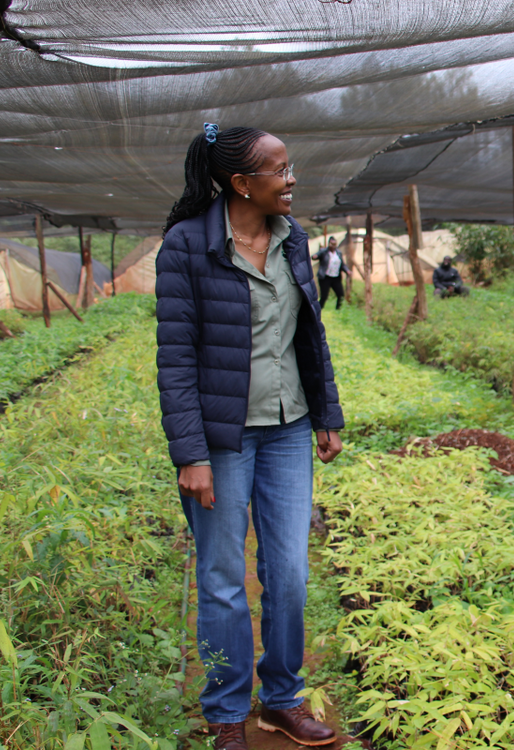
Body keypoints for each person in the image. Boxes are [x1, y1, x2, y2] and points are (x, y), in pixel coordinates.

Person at [156, 123, 348, 750]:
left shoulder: (295, 240)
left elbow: (308, 335)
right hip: (221, 438)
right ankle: (225, 711)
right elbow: (176, 357)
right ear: (242, 182)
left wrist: (326, 414)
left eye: (291, 168)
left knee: (289, 572)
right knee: (220, 577)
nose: (292, 180)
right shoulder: (186, 246)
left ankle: (281, 699)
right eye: (281, 170)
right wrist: (191, 454)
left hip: (289, 429)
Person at [315, 235, 345, 310]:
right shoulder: (324, 252)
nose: (333, 246)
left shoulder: (338, 253)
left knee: (340, 294)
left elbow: (342, 264)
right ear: (329, 244)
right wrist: (315, 256)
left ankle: (338, 309)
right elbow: (317, 255)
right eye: (331, 244)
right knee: (324, 296)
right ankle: (318, 310)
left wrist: (347, 270)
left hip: (336, 277)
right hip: (325, 277)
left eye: (334, 244)